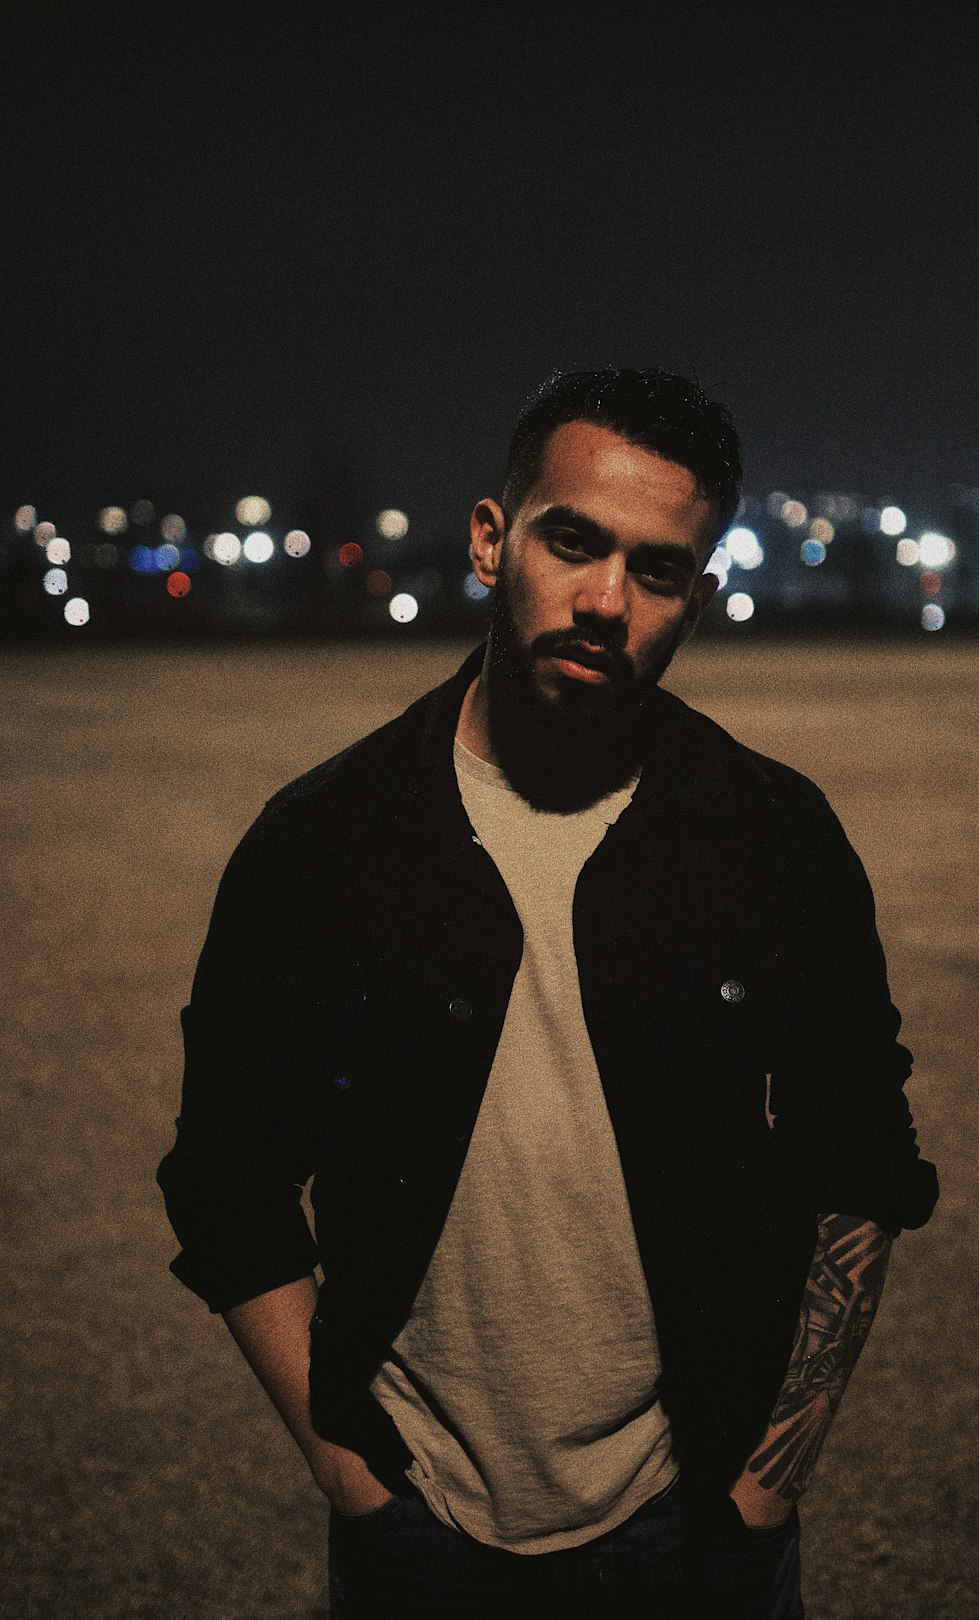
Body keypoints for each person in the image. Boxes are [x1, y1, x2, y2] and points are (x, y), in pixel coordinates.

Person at [157, 368, 938, 1619]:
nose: (605, 600)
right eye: (571, 541)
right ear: (490, 539)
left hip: (696, 1528)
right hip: (418, 1525)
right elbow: (225, 1176)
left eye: (659, 568)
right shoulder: (323, 841)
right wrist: (355, 1479)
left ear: (699, 596)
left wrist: (763, 1487)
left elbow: (862, 1153)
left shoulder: (775, 835)